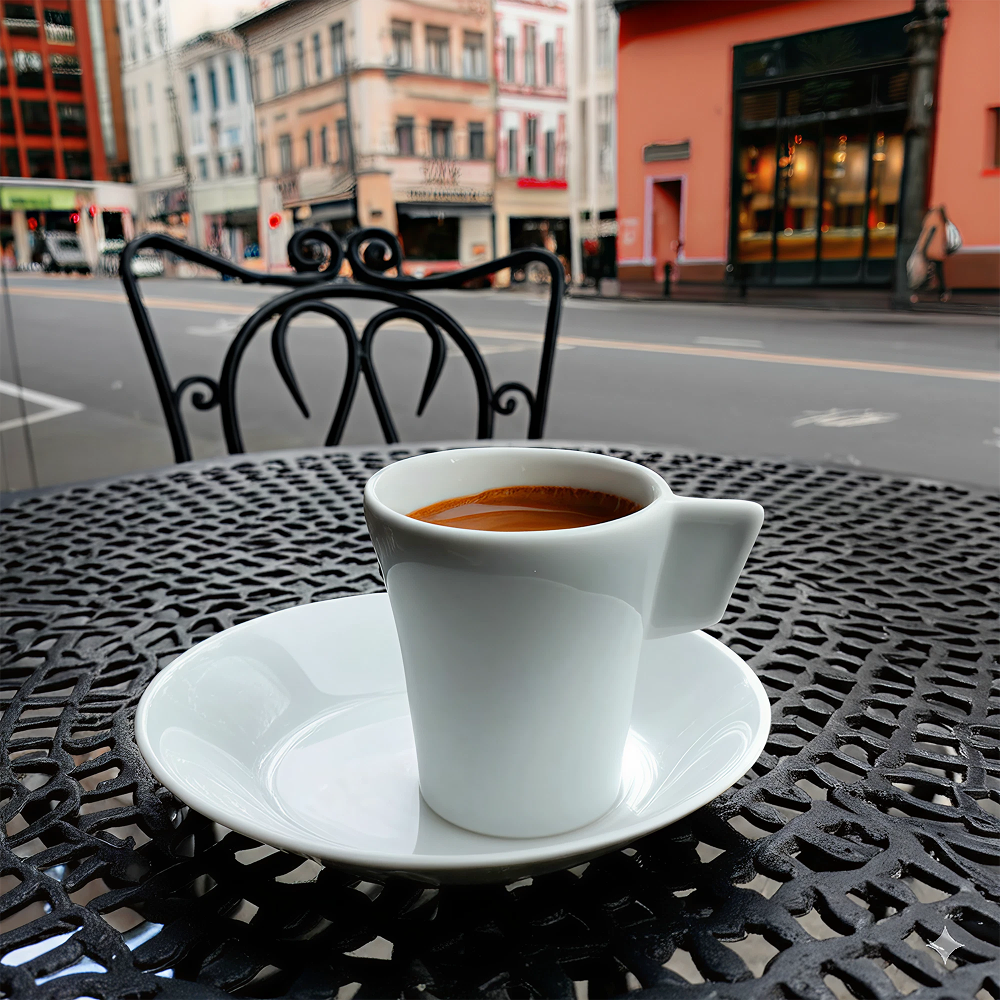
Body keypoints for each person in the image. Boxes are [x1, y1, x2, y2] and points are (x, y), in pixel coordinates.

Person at [909, 205, 952, 303]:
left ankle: (915, 293)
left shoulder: (932, 217)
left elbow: (927, 234)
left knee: (922, 272)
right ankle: (943, 292)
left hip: (929, 250)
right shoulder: (941, 218)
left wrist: (921, 248)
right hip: (938, 251)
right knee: (938, 272)